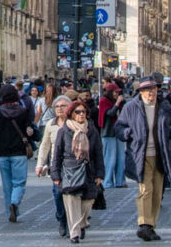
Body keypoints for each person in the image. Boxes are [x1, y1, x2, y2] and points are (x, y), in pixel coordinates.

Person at [115, 75, 171, 242]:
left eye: (154, 88)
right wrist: (128, 133)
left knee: (158, 193)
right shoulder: (131, 107)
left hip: (160, 154)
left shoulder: (164, 106)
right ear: (141, 92)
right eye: (148, 89)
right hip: (140, 155)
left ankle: (150, 226)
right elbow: (119, 127)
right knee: (146, 190)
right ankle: (144, 224)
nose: (151, 92)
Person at [51, 98, 104, 243]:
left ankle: (82, 223)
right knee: (71, 202)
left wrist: (100, 174)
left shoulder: (91, 131)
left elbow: (98, 153)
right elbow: (57, 154)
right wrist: (55, 174)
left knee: (87, 204)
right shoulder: (64, 131)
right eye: (78, 112)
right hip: (70, 171)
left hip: (88, 171)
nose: (81, 114)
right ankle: (74, 233)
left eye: (84, 112)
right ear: (72, 114)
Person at [0, 83, 35, 224]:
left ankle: (10, 212)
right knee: (19, 183)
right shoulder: (23, 112)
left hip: (3, 154)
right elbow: (29, 131)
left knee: (7, 186)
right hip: (19, 153)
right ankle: (14, 203)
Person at [36, 94, 71, 236]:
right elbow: (44, 146)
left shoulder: (74, 122)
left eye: (63, 106)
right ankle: (62, 219)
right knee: (57, 194)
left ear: (69, 107)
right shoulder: (51, 124)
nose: (59, 108)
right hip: (55, 166)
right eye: (57, 106)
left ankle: (72, 221)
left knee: (73, 194)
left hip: (72, 165)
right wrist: (39, 164)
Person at [99, 82, 127, 189]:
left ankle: (120, 181)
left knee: (121, 158)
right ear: (110, 92)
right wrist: (117, 104)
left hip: (118, 132)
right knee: (110, 158)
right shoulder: (103, 101)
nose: (117, 94)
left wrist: (121, 102)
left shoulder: (117, 101)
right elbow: (109, 114)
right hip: (108, 132)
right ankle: (108, 181)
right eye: (115, 92)